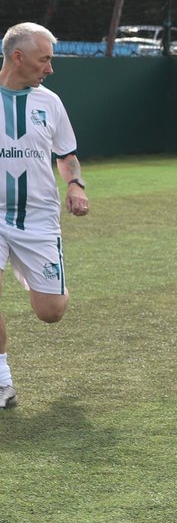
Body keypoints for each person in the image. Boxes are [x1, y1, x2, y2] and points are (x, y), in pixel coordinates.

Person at [0, 22, 89, 409]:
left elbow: (66, 156)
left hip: (38, 220)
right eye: (45, 59)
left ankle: (46, 282)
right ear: (17, 57)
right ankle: (2, 381)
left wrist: (75, 185)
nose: (49, 68)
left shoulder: (49, 102)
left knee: (50, 312)